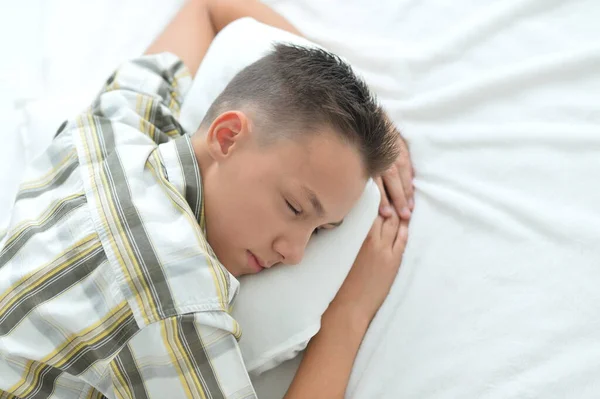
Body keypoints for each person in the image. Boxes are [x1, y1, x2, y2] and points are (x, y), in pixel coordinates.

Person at [0, 0, 414, 398]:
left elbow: (207, 8)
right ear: (227, 136)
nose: (295, 253)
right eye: (294, 208)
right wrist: (348, 316)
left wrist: (369, 121)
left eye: (321, 230)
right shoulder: (174, 300)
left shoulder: (116, 125)